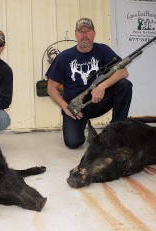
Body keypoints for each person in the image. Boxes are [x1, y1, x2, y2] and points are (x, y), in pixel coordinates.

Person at [46, 17, 132, 149]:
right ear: (76, 34)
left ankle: (117, 130)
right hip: (76, 108)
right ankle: (82, 124)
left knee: (125, 85)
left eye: (88, 31)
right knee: (73, 143)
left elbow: (123, 72)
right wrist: (65, 107)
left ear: (94, 33)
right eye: (81, 31)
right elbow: (51, 88)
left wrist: (102, 86)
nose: (85, 35)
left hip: (98, 101)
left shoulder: (103, 50)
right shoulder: (64, 57)